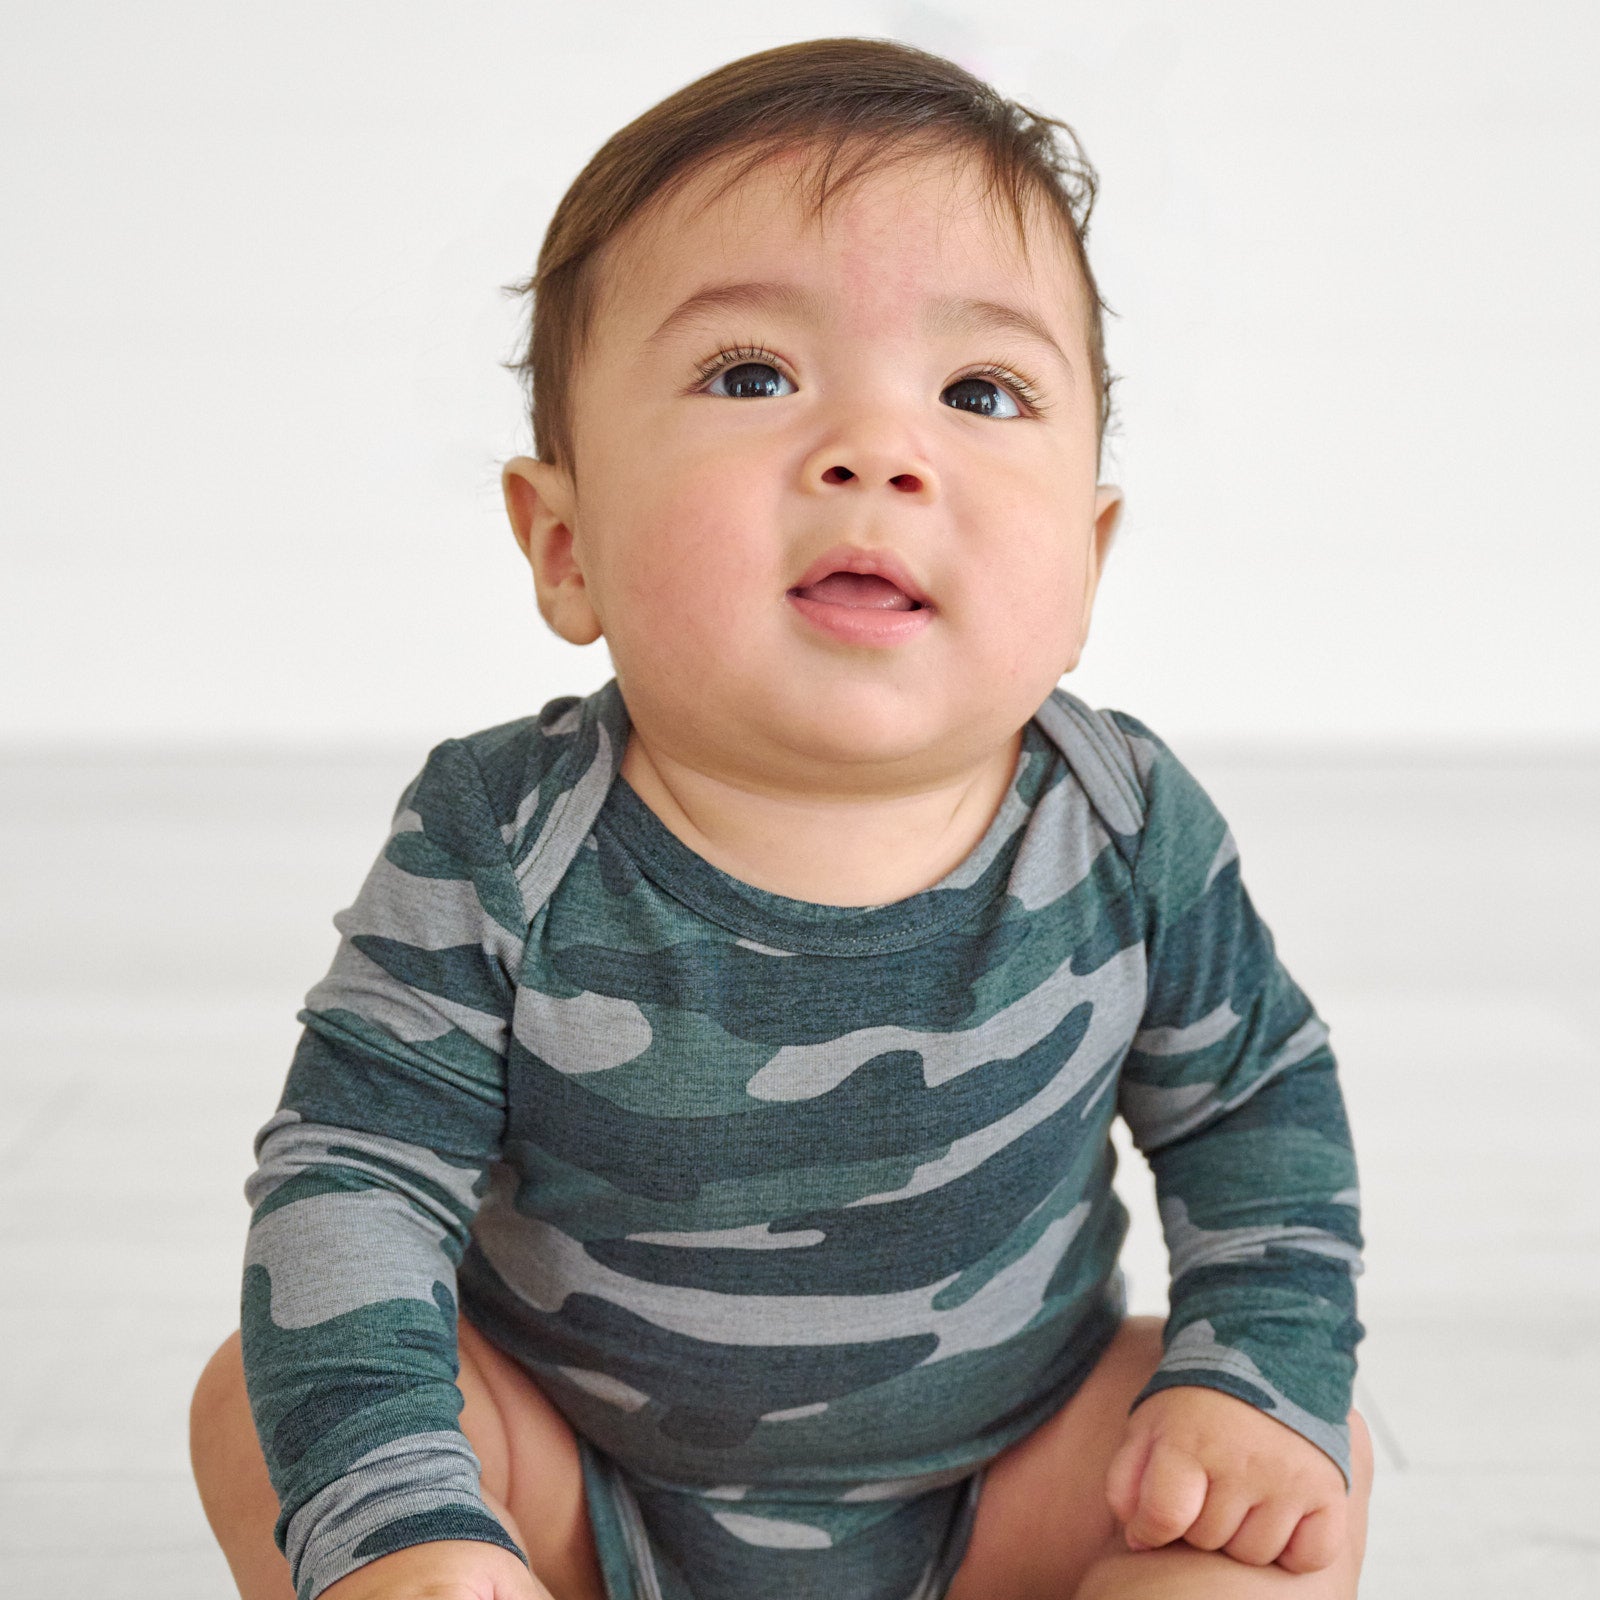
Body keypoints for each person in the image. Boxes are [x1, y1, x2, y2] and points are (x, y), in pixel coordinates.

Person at [189, 35, 1372, 1600]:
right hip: (578, 1500)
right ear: (564, 544)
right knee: (255, 1410)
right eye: (753, 375)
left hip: (1009, 1495)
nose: (877, 454)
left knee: (1295, 1473)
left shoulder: (1125, 824)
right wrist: (410, 1518)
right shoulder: (498, 835)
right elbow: (354, 1175)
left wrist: (1249, 1383)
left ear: (1087, 562)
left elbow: (1258, 1118)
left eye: (981, 389)